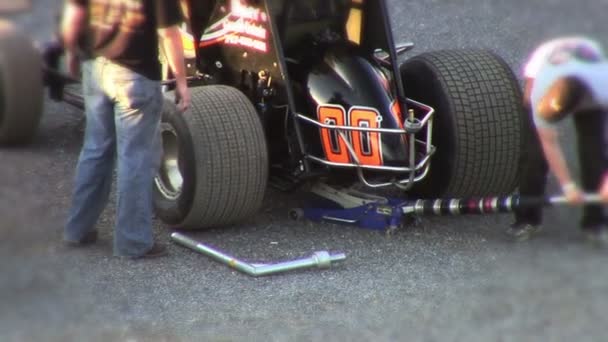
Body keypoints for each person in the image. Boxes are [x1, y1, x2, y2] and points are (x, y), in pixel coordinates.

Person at [61, 0, 191, 258]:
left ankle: (76, 230)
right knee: (136, 159)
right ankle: (133, 243)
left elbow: (73, 16)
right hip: (135, 75)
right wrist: (182, 82)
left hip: (95, 67)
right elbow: (169, 33)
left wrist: (71, 55)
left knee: (95, 149)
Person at [508, 36, 608, 245]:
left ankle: (595, 221)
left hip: (587, 86)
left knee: (595, 151)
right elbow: (548, 143)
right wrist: (568, 186)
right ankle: (527, 218)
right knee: (534, 155)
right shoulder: (538, 92)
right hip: (551, 83)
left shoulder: (601, 87)